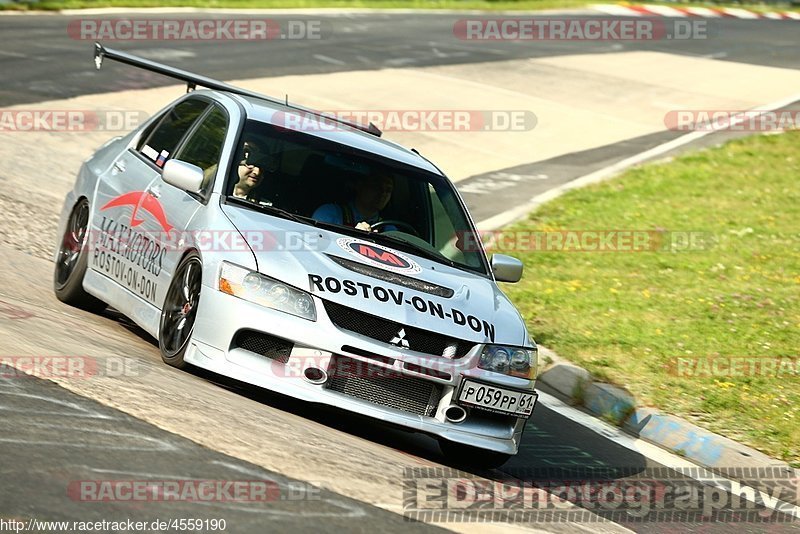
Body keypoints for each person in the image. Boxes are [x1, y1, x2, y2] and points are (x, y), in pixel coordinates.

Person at [313, 172, 395, 231]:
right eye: (377, 187)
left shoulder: (388, 230)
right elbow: (314, 242)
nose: (383, 193)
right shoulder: (329, 213)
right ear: (360, 186)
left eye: (388, 190)